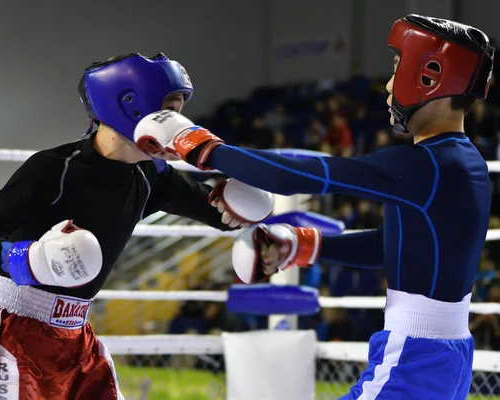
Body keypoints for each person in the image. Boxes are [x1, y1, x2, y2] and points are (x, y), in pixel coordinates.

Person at [133, 15, 494, 399]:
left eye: (395, 68)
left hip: (414, 358)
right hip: (447, 356)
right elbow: (393, 246)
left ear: (428, 77)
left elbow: (299, 175)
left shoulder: (427, 165)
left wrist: (201, 146)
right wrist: (308, 245)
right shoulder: (462, 162)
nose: (389, 86)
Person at [0, 53, 273, 399]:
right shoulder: (55, 169)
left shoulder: (152, 176)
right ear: (130, 106)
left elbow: (218, 213)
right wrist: (23, 259)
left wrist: (256, 227)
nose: (177, 125)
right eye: (168, 111)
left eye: (178, 113)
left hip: (75, 338)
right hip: (15, 331)